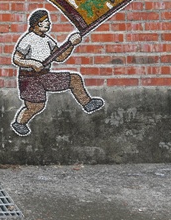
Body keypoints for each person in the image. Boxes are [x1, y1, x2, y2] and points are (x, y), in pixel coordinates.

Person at [10, 9, 104, 137]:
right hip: (29, 78)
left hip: (45, 75)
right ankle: (19, 123)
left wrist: (71, 44)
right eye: (45, 21)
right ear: (36, 24)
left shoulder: (48, 40)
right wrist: (32, 63)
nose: (49, 23)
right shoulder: (28, 39)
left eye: (48, 21)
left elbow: (59, 57)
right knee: (36, 106)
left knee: (74, 79)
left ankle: (88, 103)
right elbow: (17, 58)